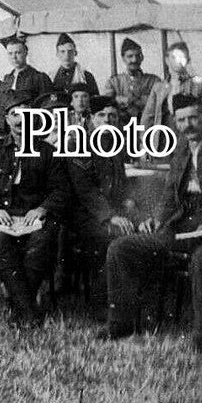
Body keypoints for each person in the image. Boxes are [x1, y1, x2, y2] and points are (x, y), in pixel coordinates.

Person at [101, 95, 202, 341]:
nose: (188, 125)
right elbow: (169, 195)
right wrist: (156, 218)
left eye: (193, 118)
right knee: (121, 247)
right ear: (176, 123)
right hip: (179, 227)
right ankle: (121, 326)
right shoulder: (180, 155)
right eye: (182, 120)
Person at [0, 93, 68, 324]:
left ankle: (18, 303)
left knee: (41, 241)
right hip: (3, 214)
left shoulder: (48, 151)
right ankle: (28, 308)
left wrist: (42, 209)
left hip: (34, 214)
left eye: (26, 114)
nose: (20, 119)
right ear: (7, 119)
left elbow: (60, 190)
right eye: (14, 114)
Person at [63, 96, 134, 313]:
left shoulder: (115, 144)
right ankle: (102, 302)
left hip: (110, 209)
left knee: (138, 230)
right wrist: (110, 216)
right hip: (83, 213)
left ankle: (127, 295)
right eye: (101, 115)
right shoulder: (78, 143)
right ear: (92, 118)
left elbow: (118, 182)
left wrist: (128, 200)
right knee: (109, 237)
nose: (107, 120)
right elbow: (85, 190)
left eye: (112, 116)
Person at [141, 41, 202, 138]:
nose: (178, 61)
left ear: (188, 60)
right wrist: (145, 143)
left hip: (190, 137)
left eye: (182, 57)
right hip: (164, 141)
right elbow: (147, 118)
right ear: (167, 60)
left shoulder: (200, 86)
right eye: (174, 57)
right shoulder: (159, 88)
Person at [0, 37, 53, 126]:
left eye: (18, 53)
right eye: (10, 53)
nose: (14, 57)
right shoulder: (7, 79)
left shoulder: (39, 77)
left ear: (26, 53)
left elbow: (47, 108)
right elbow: (0, 110)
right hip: (7, 128)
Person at [103, 38, 159, 125]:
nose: (134, 60)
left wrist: (126, 101)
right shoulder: (113, 82)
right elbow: (107, 104)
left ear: (142, 57)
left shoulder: (153, 81)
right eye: (130, 56)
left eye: (138, 56)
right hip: (121, 128)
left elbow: (158, 104)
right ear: (123, 58)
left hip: (147, 126)